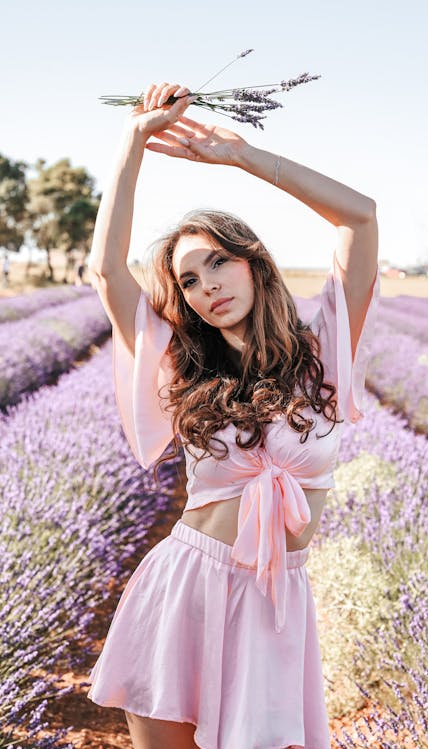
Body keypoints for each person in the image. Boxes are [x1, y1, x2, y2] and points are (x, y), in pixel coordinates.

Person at [86, 81, 379, 749]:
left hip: (275, 608)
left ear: (255, 265)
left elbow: (359, 217)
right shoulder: (181, 361)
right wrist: (133, 140)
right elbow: (106, 271)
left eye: (218, 262)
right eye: (189, 280)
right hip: (184, 588)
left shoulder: (324, 355)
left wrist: (241, 157)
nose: (208, 285)